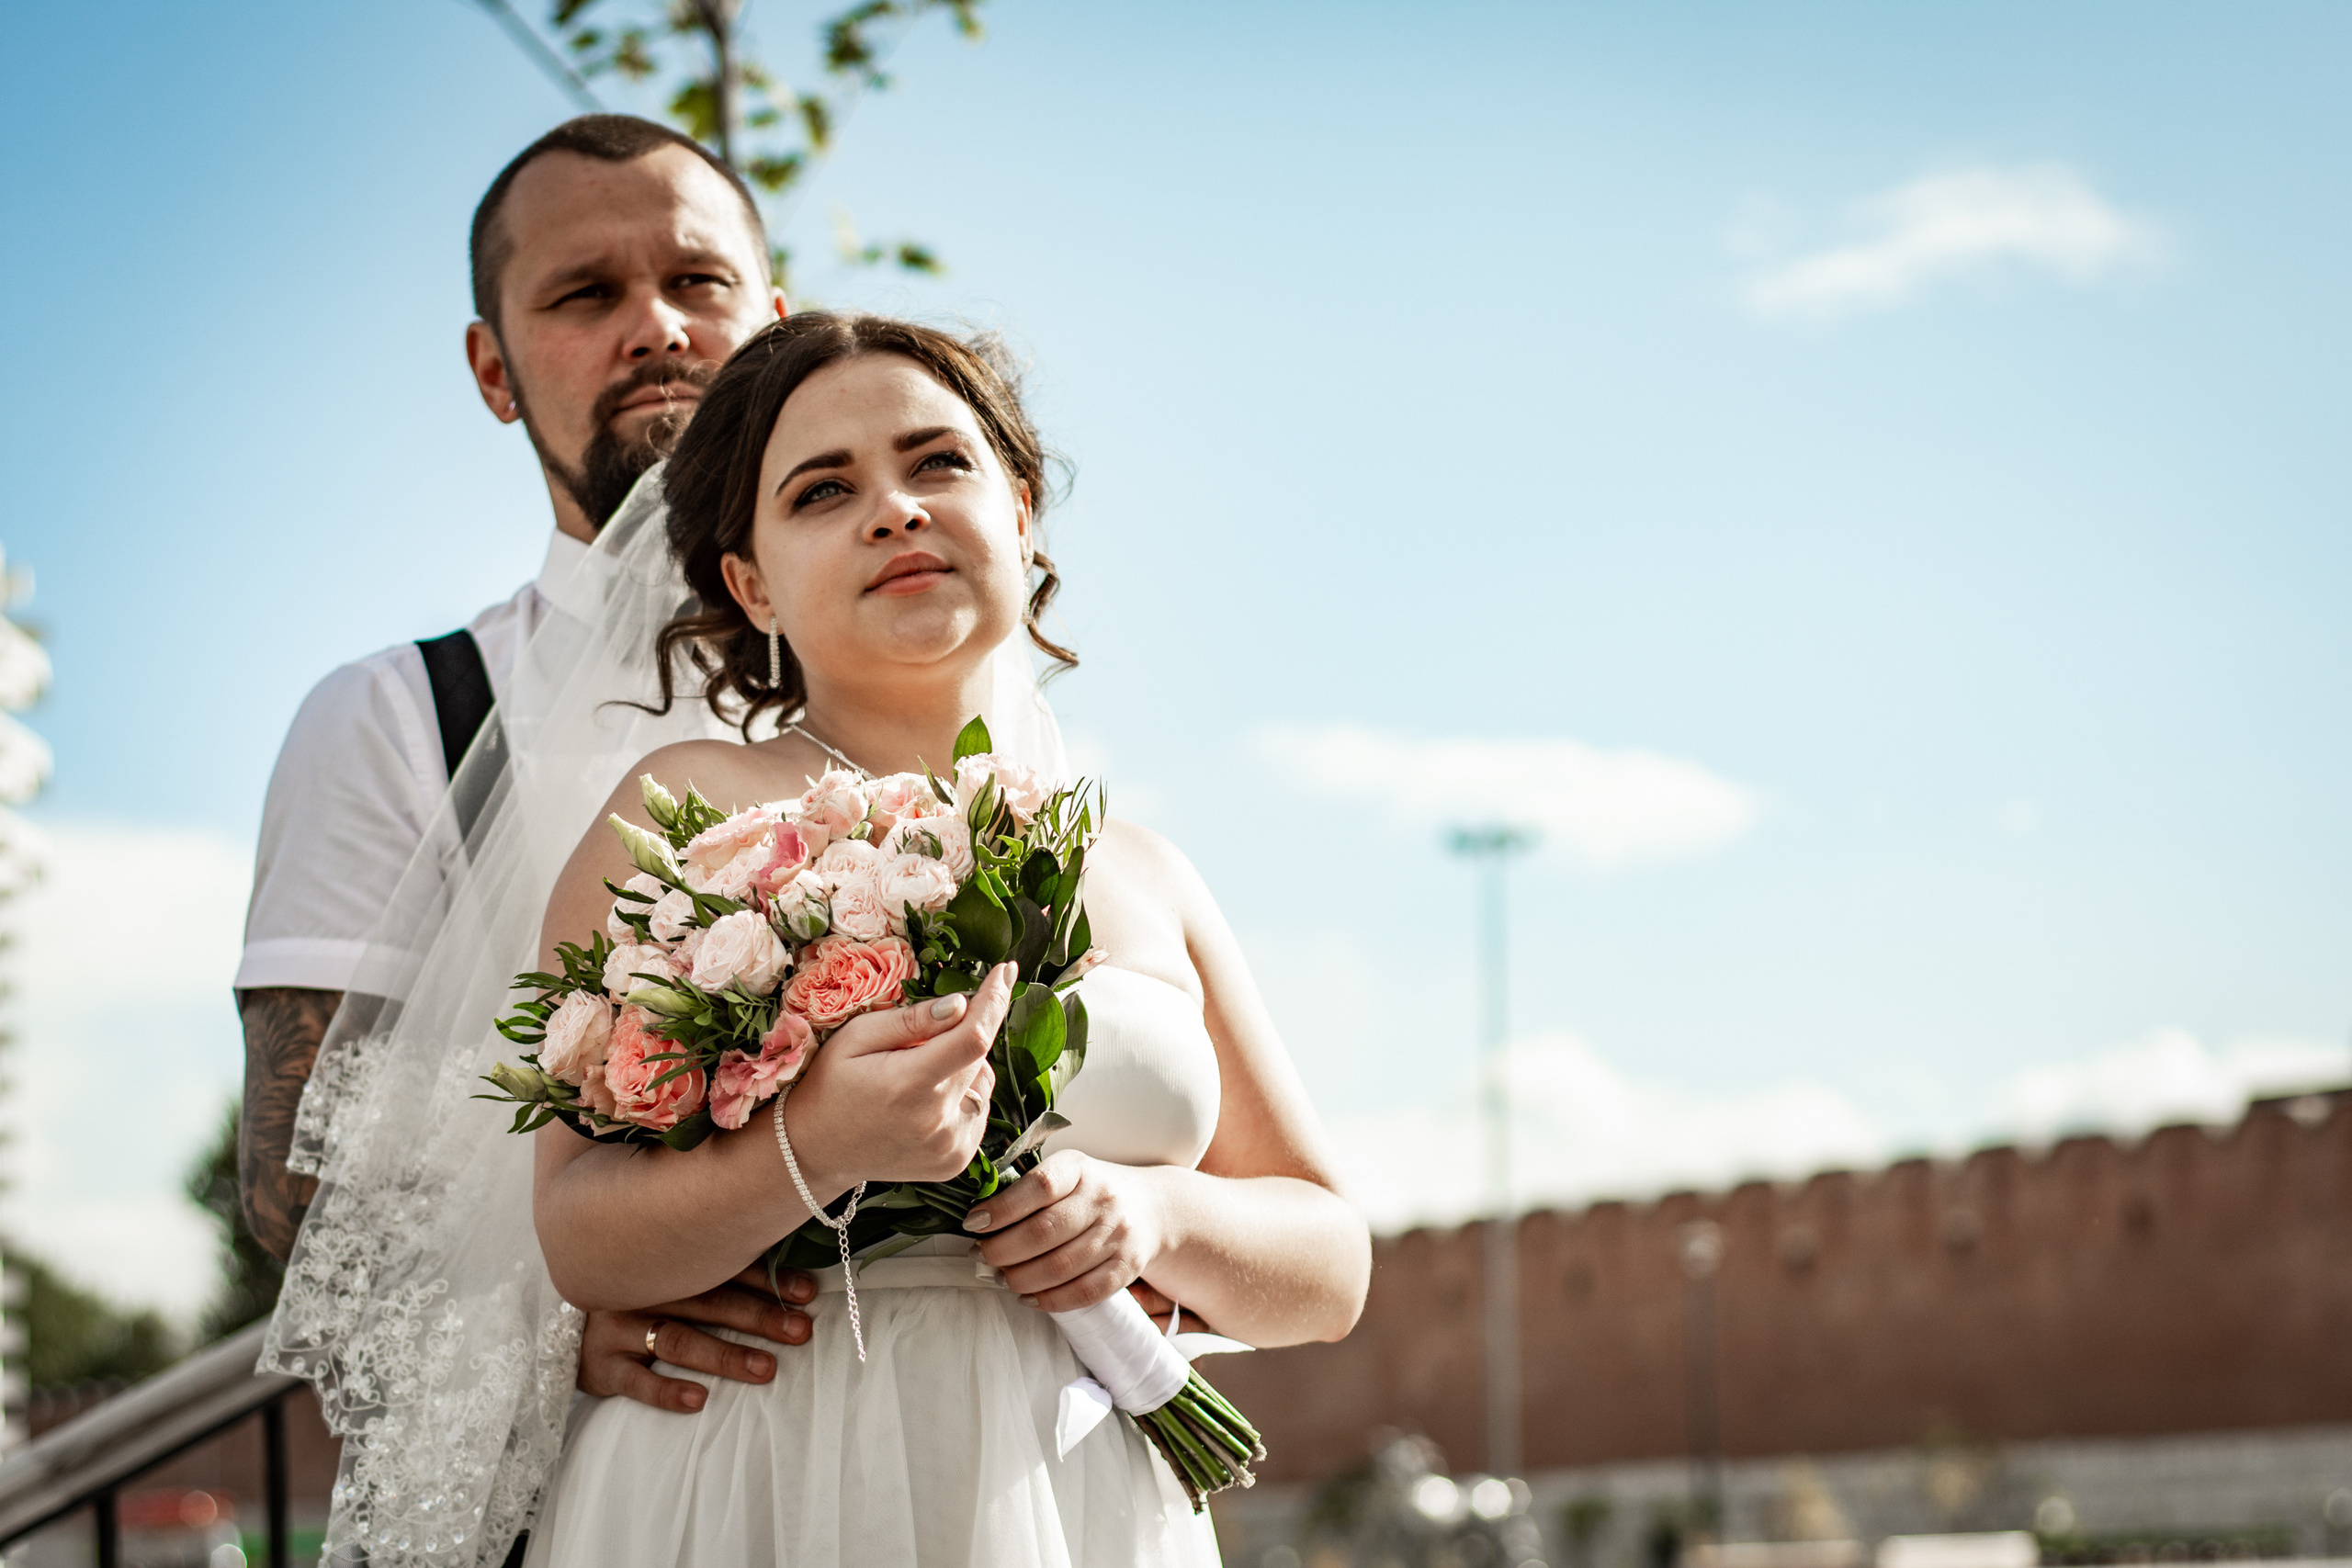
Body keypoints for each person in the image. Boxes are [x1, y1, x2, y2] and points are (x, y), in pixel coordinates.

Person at [519, 311, 1372, 1563]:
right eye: (823, 491)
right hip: (760, 1474)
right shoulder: (682, 813)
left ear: (1020, 509)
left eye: (939, 465)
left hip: (1074, 1496)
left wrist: (1157, 1218)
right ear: (749, 579)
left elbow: (1331, 1259)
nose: (894, 511)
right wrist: (812, 1145)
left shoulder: (1145, 871)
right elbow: (576, 1232)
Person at [236, 114, 812, 1419]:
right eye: (586, 293)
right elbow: (291, 1177)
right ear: (494, 371)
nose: (656, 326)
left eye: (698, 282)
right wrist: (546, 1339)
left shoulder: (914, 677)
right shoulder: (397, 716)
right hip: (630, 1450)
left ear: (774, 324)